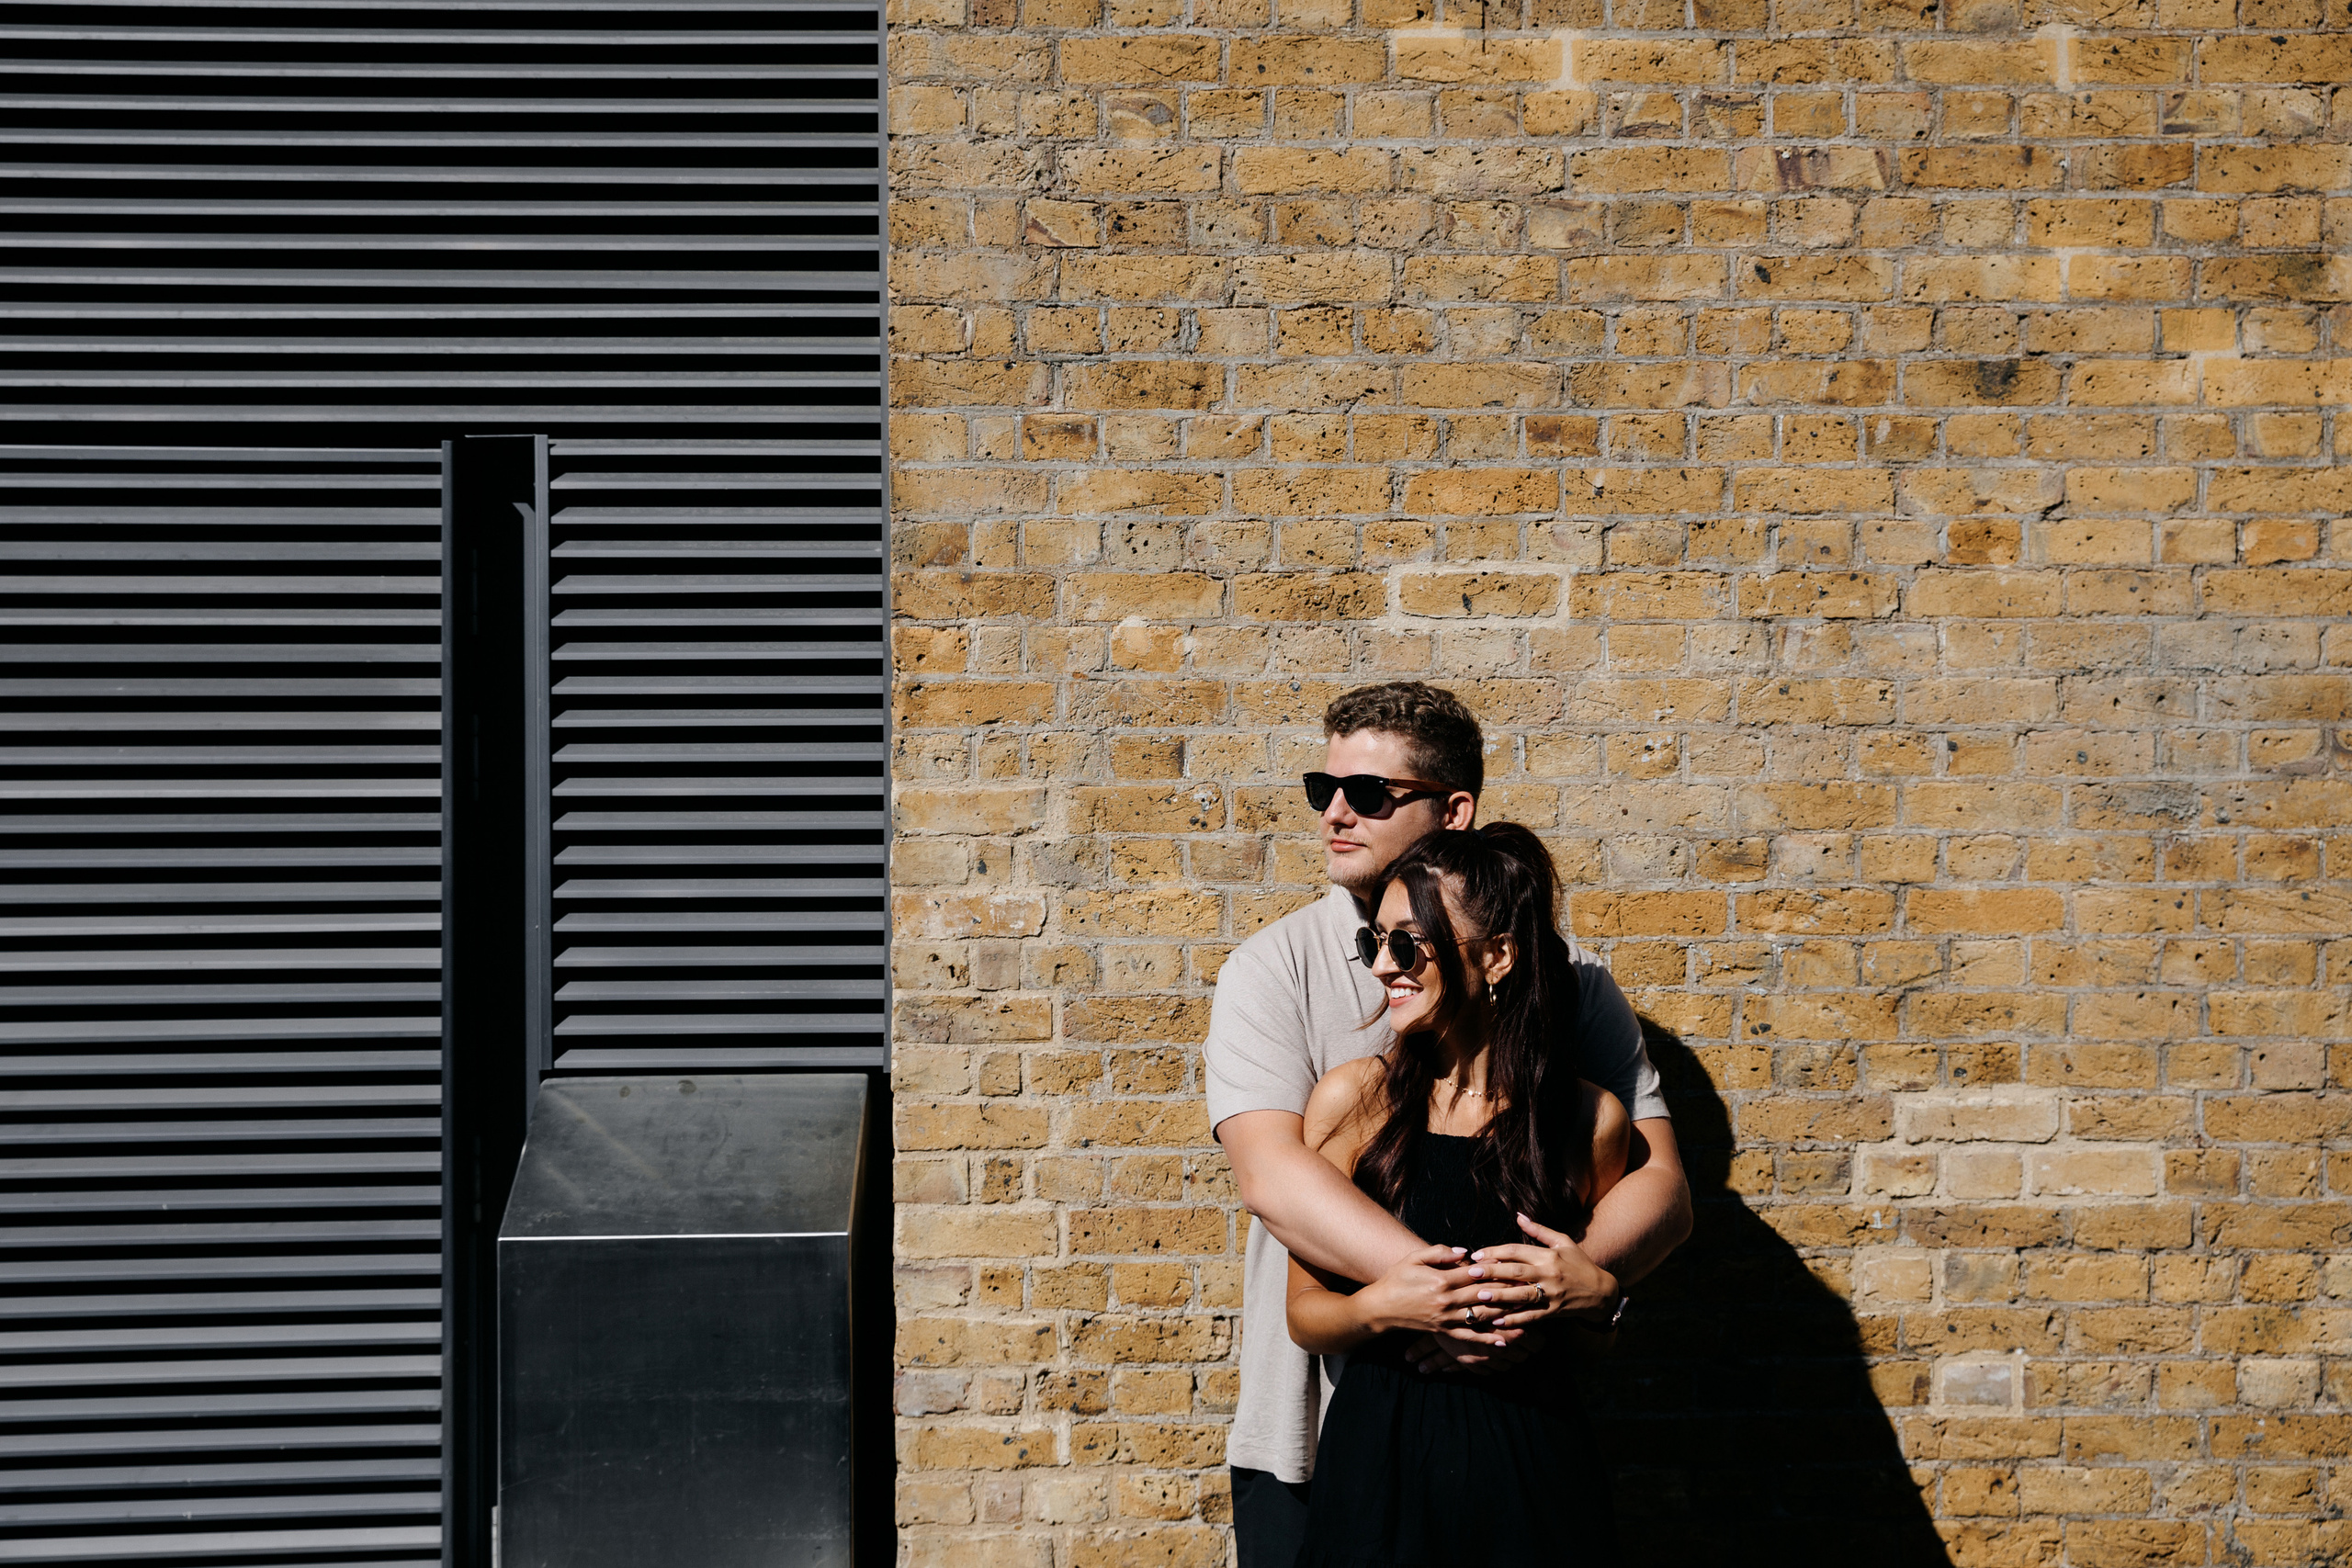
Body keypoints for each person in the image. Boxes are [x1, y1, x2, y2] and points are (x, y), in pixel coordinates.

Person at [1203, 682, 1690, 1568]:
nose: (1335, 813)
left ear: (1454, 811)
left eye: (1369, 792)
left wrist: (1581, 1284)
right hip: (1315, 1427)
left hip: (1513, 1431)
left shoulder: (1569, 981)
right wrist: (1462, 1304)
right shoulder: (1271, 969)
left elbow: (1659, 1181)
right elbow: (1274, 1180)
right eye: (1325, 790)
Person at [1285, 824, 1627, 1566]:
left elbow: (1593, 1353)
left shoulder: (1587, 1118)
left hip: (1534, 1472)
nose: (1383, 965)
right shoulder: (1353, 1102)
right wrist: (1386, 1306)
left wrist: (1598, 1297)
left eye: (1407, 944)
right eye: (1374, 942)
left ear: (1497, 955)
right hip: (1381, 1471)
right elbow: (1305, 1315)